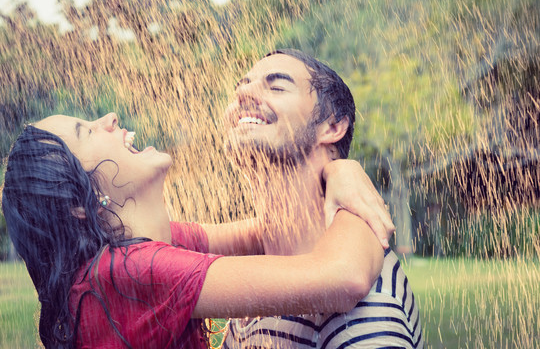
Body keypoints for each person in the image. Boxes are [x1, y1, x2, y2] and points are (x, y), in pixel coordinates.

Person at [1, 112, 389, 348]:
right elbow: (346, 277)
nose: (110, 119)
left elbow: (266, 234)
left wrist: (331, 171)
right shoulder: (129, 273)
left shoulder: (135, 254)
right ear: (77, 204)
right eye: (87, 131)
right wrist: (347, 171)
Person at [222, 49, 423, 348]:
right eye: (242, 84)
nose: (243, 92)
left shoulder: (361, 311)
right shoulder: (268, 276)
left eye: (276, 86)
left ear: (331, 126)